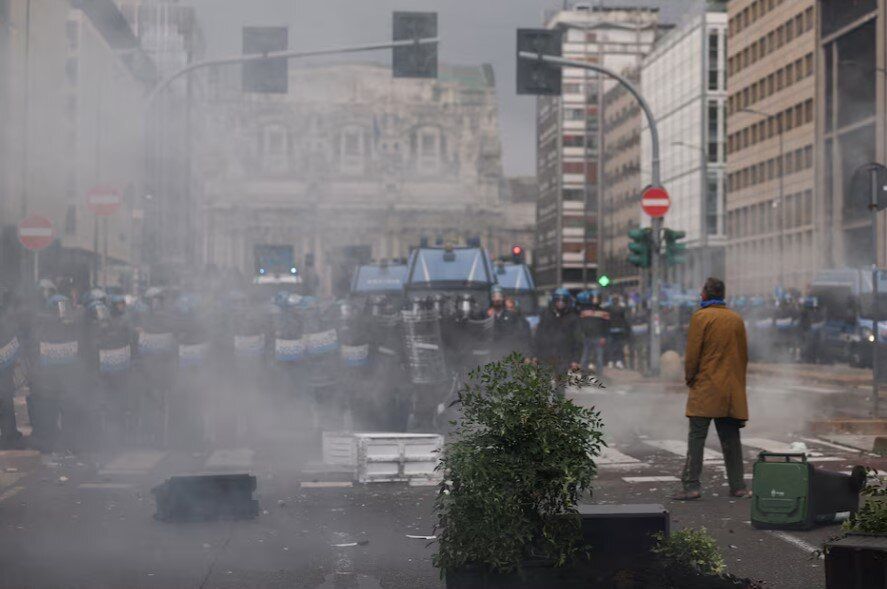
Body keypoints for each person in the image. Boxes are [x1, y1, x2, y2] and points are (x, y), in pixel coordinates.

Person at [673, 277, 750, 501]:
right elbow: (743, 356)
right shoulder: (736, 319)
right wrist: (738, 386)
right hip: (729, 391)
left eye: (702, 291)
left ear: (706, 294)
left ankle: (691, 486)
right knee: (731, 440)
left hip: (705, 387)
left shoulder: (701, 317)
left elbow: (693, 355)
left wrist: (689, 378)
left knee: (696, 439)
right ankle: (738, 486)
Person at [533, 288, 583, 374]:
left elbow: (578, 340)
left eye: (563, 300)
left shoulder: (573, 318)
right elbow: (538, 336)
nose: (560, 302)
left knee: (560, 384)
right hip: (545, 355)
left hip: (564, 356)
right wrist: (534, 355)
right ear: (554, 300)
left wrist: (575, 359)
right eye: (558, 300)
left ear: (567, 301)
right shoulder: (546, 315)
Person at [0, 286, 24, 448]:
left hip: (4, 362)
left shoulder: (6, 317)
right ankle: (9, 434)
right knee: (6, 398)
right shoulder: (6, 317)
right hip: (4, 363)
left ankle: (9, 433)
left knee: (6, 398)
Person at [576, 290, 608, 376]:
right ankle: (583, 375)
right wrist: (581, 334)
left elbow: (606, 326)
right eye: (593, 298)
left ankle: (599, 375)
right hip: (587, 337)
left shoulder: (603, 311)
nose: (595, 300)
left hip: (598, 337)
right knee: (585, 357)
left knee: (599, 358)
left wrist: (604, 337)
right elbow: (580, 324)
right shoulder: (584, 311)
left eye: (597, 298)